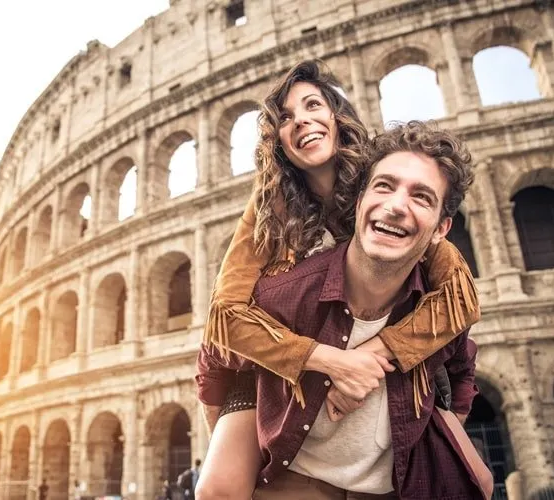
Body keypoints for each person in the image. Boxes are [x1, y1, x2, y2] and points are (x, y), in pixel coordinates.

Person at [194, 60, 480, 498]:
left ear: (336, 115)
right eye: (285, 118)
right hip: (294, 367)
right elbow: (224, 317)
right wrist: (333, 362)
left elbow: (461, 299)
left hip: (393, 357)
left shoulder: (385, 188)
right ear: (278, 143)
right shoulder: (270, 207)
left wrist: (370, 357)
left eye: (313, 105)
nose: (302, 120)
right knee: (217, 487)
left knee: (477, 480)